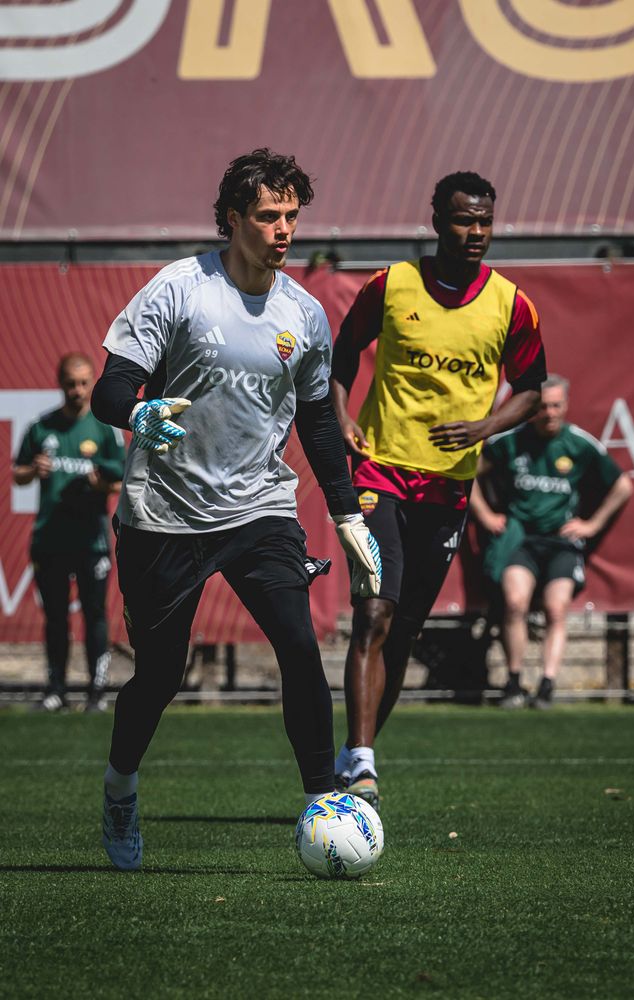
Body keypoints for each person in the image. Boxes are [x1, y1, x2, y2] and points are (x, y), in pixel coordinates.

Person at [90, 148, 382, 871]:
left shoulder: (304, 313)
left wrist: (347, 516)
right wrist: (140, 410)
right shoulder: (178, 289)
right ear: (231, 219)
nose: (283, 230)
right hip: (165, 512)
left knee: (298, 644)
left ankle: (323, 801)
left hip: (260, 506)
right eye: (267, 215)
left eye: (291, 216)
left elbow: (317, 423)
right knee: (161, 675)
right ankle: (121, 785)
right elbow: (108, 389)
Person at [330, 171, 547, 810]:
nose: (474, 232)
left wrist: (484, 426)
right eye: (461, 220)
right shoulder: (391, 286)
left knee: (404, 632)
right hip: (379, 472)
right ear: (435, 220)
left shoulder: (512, 303)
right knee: (374, 610)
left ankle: (355, 755)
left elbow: (531, 388)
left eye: (483, 221)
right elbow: (341, 357)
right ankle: (363, 762)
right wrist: (342, 417)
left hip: (448, 486)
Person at [470, 374, 633, 709]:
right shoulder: (512, 441)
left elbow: (623, 486)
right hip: (520, 538)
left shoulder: (579, 444)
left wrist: (591, 524)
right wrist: (485, 515)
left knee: (556, 608)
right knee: (515, 602)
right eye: (543, 406)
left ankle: (546, 686)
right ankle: (514, 683)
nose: (549, 412)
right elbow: (467, 472)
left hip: (561, 541)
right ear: (532, 408)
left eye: (556, 405)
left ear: (566, 405)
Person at [13, 353, 125, 712]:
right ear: (60, 383)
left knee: (95, 614)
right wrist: (33, 469)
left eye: (83, 383)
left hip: (91, 539)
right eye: (71, 383)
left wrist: (100, 483)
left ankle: (97, 691)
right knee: (56, 617)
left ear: (91, 383)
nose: (77, 390)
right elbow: (18, 474)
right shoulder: (42, 427)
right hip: (51, 538)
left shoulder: (104, 429)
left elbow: (122, 481)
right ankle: (56, 689)